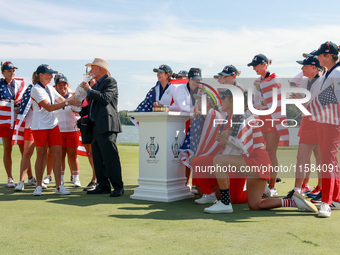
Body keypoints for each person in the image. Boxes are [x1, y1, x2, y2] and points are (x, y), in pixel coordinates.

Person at [203, 89, 317, 214]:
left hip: (257, 161)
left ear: (233, 100)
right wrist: (227, 140)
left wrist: (227, 138)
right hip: (259, 162)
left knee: (218, 161)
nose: (221, 100)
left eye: (223, 97)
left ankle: (225, 203)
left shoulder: (243, 116)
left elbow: (244, 147)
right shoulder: (240, 115)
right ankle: (292, 202)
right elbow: (241, 144)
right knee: (255, 205)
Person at [30, 64, 79, 196]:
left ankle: (59, 186)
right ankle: (39, 185)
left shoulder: (50, 89)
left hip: (53, 125)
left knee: (57, 154)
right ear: (41, 75)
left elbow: (64, 100)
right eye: (49, 74)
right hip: (40, 126)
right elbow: (49, 107)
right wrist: (69, 102)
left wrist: (79, 93)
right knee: (41, 155)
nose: (51, 76)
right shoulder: (36, 89)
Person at [80, 58, 124, 197]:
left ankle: (118, 187)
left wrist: (89, 90)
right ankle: (103, 185)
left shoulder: (110, 81)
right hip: (96, 125)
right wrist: (79, 108)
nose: (90, 71)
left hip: (107, 125)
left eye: (93, 68)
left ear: (101, 69)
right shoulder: (97, 84)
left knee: (110, 157)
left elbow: (105, 99)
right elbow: (94, 105)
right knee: (98, 158)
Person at [248, 54, 289, 196]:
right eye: (253, 66)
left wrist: (262, 88)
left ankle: (272, 186)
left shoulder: (275, 79)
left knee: (271, 152)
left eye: (256, 65)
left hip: (273, 118)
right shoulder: (256, 82)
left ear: (264, 64)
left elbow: (275, 99)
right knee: (261, 153)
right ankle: (263, 184)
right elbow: (256, 103)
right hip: (261, 118)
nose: (254, 68)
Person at [283, 56, 323, 199]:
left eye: (304, 66)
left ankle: (319, 189)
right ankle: (297, 190)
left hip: (318, 125)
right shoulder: (308, 82)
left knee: (318, 158)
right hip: (309, 124)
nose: (302, 69)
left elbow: (317, 108)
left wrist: (300, 101)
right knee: (302, 158)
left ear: (313, 67)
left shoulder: (322, 82)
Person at [308, 41, 340, 217]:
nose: (318, 57)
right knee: (331, 162)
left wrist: (316, 105)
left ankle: (326, 203)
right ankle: (335, 198)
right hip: (324, 122)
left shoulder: (337, 72)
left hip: (332, 124)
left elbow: (337, 98)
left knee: (328, 161)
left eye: (320, 55)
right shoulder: (329, 73)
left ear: (328, 56)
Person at [0, 61, 29, 187]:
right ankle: (10, 178)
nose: (12, 73)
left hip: (20, 120)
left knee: (25, 150)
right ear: (3, 73)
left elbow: (25, 100)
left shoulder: (20, 84)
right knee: (7, 149)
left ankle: (30, 176)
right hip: (5, 121)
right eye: (8, 71)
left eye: (13, 71)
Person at [52, 74, 81, 187]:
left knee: (73, 156)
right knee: (60, 156)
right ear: (56, 86)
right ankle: (61, 179)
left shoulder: (73, 96)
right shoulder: (53, 97)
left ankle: (76, 178)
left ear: (67, 85)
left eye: (64, 84)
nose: (62, 87)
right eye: (60, 85)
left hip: (72, 130)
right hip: (58, 131)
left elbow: (79, 110)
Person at [79, 78, 97, 192]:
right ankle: (96, 177)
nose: (90, 82)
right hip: (84, 124)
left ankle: (95, 179)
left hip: (94, 124)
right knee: (89, 153)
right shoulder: (83, 93)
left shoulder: (95, 92)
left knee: (95, 153)